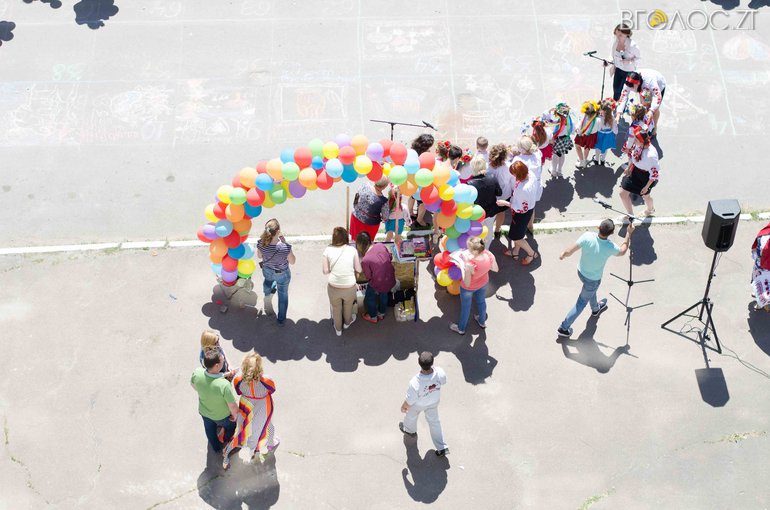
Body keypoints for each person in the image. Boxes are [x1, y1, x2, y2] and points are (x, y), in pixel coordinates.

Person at [557, 220, 634, 337]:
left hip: (581, 272)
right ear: (612, 233)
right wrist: (628, 233)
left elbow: (569, 251)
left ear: (598, 227)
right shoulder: (610, 246)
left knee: (590, 292)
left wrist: (563, 254)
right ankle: (563, 328)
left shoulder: (587, 236)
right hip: (593, 280)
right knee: (581, 303)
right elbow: (623, 251)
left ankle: (595, 309)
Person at [222, 353, 279, 469]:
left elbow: (238, 392)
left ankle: (249, 450)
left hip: (246, 405)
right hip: (263, 405)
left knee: (245, 428)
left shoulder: (238, 380)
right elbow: (272, 390)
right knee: (268, 424)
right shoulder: (266, 380)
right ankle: (270, 443)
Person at [399, 351, 449, 457]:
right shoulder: (439, 372)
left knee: (411, 416)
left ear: (419, 363)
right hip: (434, 401)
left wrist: (404, 407)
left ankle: (410, 431)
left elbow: (410, 400)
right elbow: (443, 381)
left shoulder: (415, 382)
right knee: (434, 422)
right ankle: (442, 447)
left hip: (418, 404)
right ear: (432, 362)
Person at [191, 348, 239, 454]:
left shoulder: (197, 373)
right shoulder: (224, 385)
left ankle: (216, 448)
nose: (224, 362)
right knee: (231, 427)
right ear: (217, 366)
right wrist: (235, 416)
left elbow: (193, 385)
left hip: (204, 412)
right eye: (222, 361)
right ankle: (226, 440)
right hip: (221, 416)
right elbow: (232, 406)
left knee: (209, 430)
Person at [449, 236, 499, 335]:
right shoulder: (489, 254)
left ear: (475, 252)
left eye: (469, 249)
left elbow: (467, 283)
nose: (467, 250)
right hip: (483, 283)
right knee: (481, 302)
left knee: (466, 307)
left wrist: (463, 268)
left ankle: (461, 328)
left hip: (468, 289)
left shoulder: (470, 264)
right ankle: (482, 321)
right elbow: (495, 269)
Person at [496, 161, 539, 265]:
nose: (513, 176)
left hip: (521, 215)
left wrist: (505, 203)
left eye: (514, 174)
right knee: (519, 234)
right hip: (529, 209)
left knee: (516, 237)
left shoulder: (522, 189)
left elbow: (520, 208)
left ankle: (531, 254)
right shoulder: (531, 175)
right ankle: (515, 251)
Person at [323, 226, 362, 336]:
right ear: (345, 237)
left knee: (336, 308)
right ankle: (347, 323)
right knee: (348, 306)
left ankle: (338, 329)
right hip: (349, 286)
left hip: (333, 286)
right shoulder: (352, 250)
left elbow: (325, 271)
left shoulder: (327, 250)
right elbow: (359, 269)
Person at [256, 218, 296, 325]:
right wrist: (285, 242)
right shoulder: (284, 247)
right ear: (278, 231)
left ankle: (267, 295)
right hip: (282, 273)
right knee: (282, 295)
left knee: (268, 281)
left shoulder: (261, 243)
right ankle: (281, 319)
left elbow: (259, 256)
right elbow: (292, 261)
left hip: (267, 270)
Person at [619, 126, 659, 219]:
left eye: (636, 139)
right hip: (635, 171)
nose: (634, 141)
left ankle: (650, 210)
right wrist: (629, 168)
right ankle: (630, 214)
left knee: (646, 196)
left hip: (645, 177)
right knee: (622, 193)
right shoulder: (638, 145)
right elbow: (634, 157)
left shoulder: (650, 156)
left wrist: (646, 187)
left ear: (642, 141)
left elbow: (654, 174)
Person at [356, 232, 396, 323]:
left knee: (370, 298)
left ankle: (373, 316)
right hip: (389, 278)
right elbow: (389, 257)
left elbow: (368, 276)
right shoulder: (380, 245)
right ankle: (381, 313)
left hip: (377, 283)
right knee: (384, 295)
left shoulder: (365, 260)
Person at [616, 68, 666, 134]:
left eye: (632, 87)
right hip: (643, 88)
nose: (630, 88)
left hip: (657, 85)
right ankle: (642, 124)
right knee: (644, 104)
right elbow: (623, 97)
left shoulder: (650, 83)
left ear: (638, 83)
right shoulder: (628, 83)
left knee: (654, 108)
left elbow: (657, 97)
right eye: (629, 87)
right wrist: (619, 113)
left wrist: (651, 111)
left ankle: (654, 126)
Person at [468, 154, 502, 246]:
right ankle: (487, 249)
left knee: (477, 233)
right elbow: (499, 193)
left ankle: (478, 249)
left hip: (478, 214)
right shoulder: (492, 177)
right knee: (489, 230)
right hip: (491, 211)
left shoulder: (470, 184)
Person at [512, 136, 543, 234]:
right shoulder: (537, 154)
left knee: (521, 205)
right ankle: (530, 225)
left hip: (523, 187)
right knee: (532, 206)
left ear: (522, 149)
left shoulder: (518, 159)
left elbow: (514, 174)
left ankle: (521, 226)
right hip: (536, 185)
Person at [350, 177, 390, 242]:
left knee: (355, 240)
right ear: (384, 187)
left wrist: (356, 207)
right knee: (367, 242)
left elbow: (356, 197)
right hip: (371, 224)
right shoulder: (384, 201)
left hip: (356, 217)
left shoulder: (364, 186)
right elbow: (385, 217)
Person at [610, 23, 641, 101]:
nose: (618, 37)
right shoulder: (616, 42)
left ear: (626, 34)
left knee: (625, 91)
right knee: (616, 89)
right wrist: (609, 62)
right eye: (616, 35)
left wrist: (629, 61)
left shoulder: (633, 45)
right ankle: (615, 104)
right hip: (618, 69)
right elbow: (613, 55)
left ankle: (624, 105)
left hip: (628, 71)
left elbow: (639, 59)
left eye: (620, 35)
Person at [409, 134, 436, 223]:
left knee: (412, 196)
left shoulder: (414, 151)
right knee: (423, 201)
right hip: (422, 178)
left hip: (411, 178)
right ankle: (419, 220)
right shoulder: (424, 155)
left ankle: (410, 213)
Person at [488, 143, 512, 237]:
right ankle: (497, 230)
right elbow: (512, 182)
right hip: (504, 195)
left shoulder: (487, 167)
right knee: (501, 213)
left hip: (491, 196)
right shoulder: (509, 167)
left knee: (490, 215)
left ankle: (489, 231)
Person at [549, 103, 575, 177]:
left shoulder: (558, 121)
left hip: (558, 140)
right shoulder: (570, 120)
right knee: (562, 155)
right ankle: (559, 170)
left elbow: (552, 130)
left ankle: (554, 171)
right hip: (566, 139)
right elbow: (573, 131)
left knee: (555, 156)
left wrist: (550, 112)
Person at [574, 100, 601, 169]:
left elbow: (579, 126)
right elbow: (599, 129)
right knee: (587, 148)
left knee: (577, 146)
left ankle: (581, 161)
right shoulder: (598, 120)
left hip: (582, 135)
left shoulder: (584, 117)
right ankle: (585, 160)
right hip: (591, 136)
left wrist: (576, 129)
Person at [593, 98, 618, 165]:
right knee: (605, 148)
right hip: (608, 135)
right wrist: (614, 132)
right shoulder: (612, 118)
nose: (600, 112)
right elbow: (615, 130)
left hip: (600, 135)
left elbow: (597, 128)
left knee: (598, 147)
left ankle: (596, 159)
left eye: (601, 110)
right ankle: (602, 160)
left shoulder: (599, 118)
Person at [751, 222, 770, 311]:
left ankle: (761, 302)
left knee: (761, 285)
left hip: (760, 268)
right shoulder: (764, 237)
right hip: (763, 268)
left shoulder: (763, 233)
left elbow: (755, 251)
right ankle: (763, 303)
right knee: (764, 286)